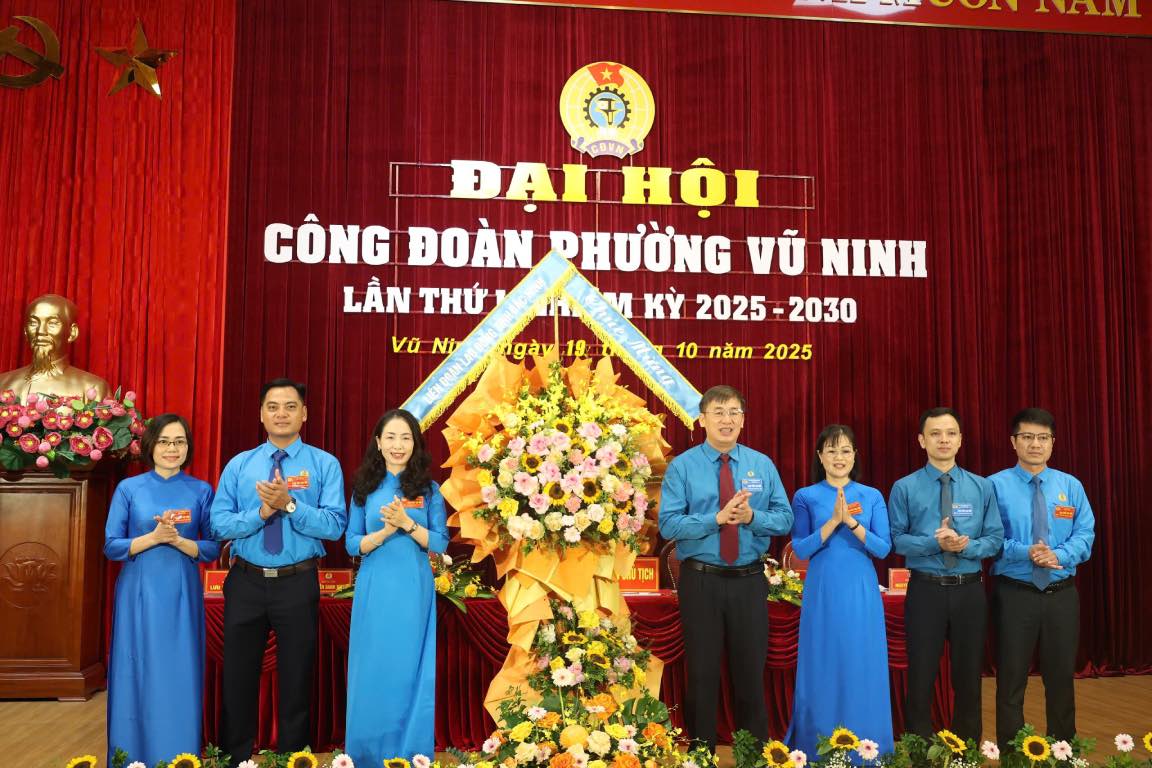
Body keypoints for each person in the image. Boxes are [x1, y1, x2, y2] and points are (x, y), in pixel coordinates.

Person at [210, 378, 347, 767]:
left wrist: (290, 505)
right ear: (261, 414)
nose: (281, 414)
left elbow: (335, 525)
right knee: (237, 676)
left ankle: (293, 759)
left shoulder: (324, 464)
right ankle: (233, 759)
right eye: (273, 406)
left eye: (290, 406)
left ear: (304, 413)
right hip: (247, 581)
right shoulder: (240, 465)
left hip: (297, 581)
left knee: (296, 678)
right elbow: (219, 525)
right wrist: (261, 513)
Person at [658, 385, 793, 750]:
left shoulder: (760, 464)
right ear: (702, 419)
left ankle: (752, 753)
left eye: (734, 412)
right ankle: (700, 753)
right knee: (702, 673)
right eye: (718, 412)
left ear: (743, 419)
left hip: (749, 581)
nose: (727, 419)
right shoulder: (682, 467)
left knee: (749, 673)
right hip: (701, 581)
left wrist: (752, 516)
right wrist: (715, 519)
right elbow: (668, 525)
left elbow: (785, 520)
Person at [104, 414, 219, 766]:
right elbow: (111, 545)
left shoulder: (201, 490)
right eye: (166, 441)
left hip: (182, 594)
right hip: (138, 593)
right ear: (150, 446)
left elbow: (214, 546)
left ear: (188, 447)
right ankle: (131, 755)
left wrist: (180, 542)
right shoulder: (129, 489)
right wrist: (152, 539)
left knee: (179, 671)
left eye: (180, 442)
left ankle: (179, 756)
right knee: (134, 670)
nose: (172, 449)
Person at [889, 407, 1003, 743]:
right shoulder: (904, 487)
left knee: (968, 675)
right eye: (935, 433)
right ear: (922, 440)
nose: (944, 439)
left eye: (950, 433)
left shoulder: (981, 487)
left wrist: (965, 547)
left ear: (960, 440)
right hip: (925, 590)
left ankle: (966, 748)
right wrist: (933, 542)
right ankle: (920, 749)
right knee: (921, 674)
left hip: (969, 591)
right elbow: (897, 539)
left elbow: (994, 538)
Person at [344, 409, 449, 764]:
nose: (397, 445)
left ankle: (411, 752)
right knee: (372, 666)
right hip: (375, 586)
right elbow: (350, 543)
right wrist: (384, 533)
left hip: (413, 587)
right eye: (390, 437)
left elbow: (440, 542)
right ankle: (366, 753)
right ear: (378, 442)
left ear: (416, 443)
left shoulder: (429, 489)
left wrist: (406, 524)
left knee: (409, 666)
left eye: (406, 437)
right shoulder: (364, 488)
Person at [989, 408, 1094, 749]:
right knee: (1011, 678)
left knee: (1061, 677)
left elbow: (1085, 533)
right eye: (1027, 437)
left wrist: (1059, 556)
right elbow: (988, 538)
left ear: (1053, 443)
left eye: (1043, 437)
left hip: (1061, 594)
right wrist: (1025, 552)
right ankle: (1011, 753)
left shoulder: (1070, 486)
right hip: (1014, 593)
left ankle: (1063, 751)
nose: (1036, 444)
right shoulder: (994, 486)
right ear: (1013, 442)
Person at [786, 424, 892, 758]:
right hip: (822, 592)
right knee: (823, 663)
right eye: (831, 450)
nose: (838, 457)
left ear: (855, 455)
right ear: (820, 456)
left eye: (845, 450)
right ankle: (816, 747)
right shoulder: (805, 496)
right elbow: (801, 550)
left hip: (860, 590)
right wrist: (832, 522)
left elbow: (883, 548)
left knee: (861, 662)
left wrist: (853, 523)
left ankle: (869, 748)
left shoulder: (872, 495)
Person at [0, 293, 109, 400]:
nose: (41, 331)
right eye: (33, 323)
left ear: (72, 333)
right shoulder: (3, 383)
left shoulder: (92, 389)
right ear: (25, 332)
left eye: (52, 323)